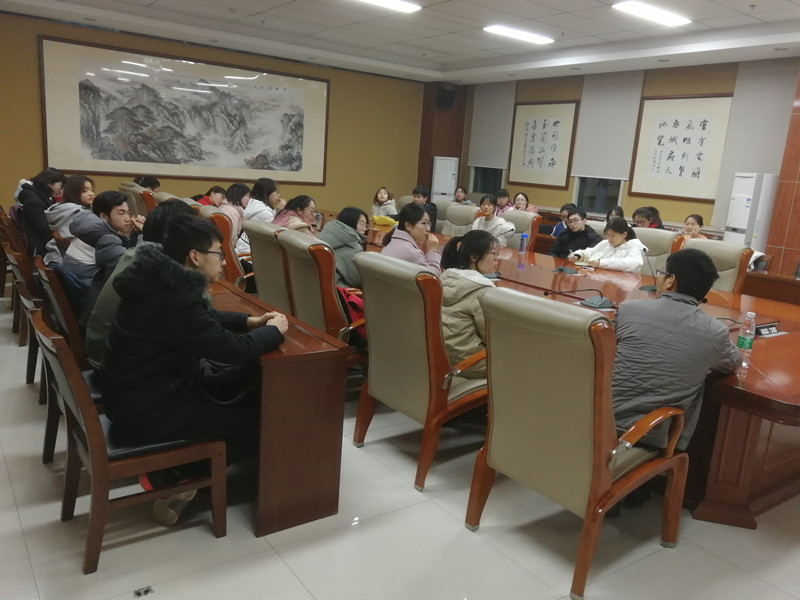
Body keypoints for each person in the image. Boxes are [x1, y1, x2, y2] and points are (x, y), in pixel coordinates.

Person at [100, 216, 288, 524]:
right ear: (195, 256)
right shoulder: (174, 299)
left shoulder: (156, 280)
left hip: (134, 392)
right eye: (219, 253)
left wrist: (247, 321)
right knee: (253, 424)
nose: (224, 262)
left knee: (233, 387)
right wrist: (274, 332)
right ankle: (176, 479)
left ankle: (178, 469)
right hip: (148, 409)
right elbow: (233, 350)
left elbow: (200, 317)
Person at [612, 248, 742, 451]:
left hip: (598, 423)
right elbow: (733, 363)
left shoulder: (629, 310)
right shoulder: (715, 332)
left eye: (661, 273)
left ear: (670, 280)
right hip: (650, 437)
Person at [85, 200, 195, 367]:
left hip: (101, 350)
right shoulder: (159, 269)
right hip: (114, 364)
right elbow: (197, 312)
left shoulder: (134, 254)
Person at [440, 230, 499, 378]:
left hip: (442, 356)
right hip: (469, 364)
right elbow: (492, 338)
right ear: (474, 257)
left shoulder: (444, 278)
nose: (497, 259)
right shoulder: (481, 291)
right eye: (493, 253)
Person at [63, 190, 144, 285]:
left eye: (128, 213)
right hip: (87, 286)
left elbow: (126, 255)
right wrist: (145, 233)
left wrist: (135, 233)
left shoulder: (93, 226)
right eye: (121, 213)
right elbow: (130, 265)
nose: (127, 219)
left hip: (79, 281)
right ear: (103, 216)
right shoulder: (103, 237)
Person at [43, 174, 95, 266]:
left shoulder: (59, 208)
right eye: (85, 191)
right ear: (73, 193)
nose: (91, 194)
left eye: (92, 190)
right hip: (72, 260)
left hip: (56, 255)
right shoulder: (78, 213)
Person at [17, 167, 66, 256]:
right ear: (49, 183)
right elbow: (43, 228)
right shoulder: (33, 201)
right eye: (60, 185)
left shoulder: (39, 197)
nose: (60, 189)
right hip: (40, 247)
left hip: (43, 242)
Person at [568, 217, 647, 273]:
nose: (609, 238)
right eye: (607, 235)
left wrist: (601, 263)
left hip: (623, 283)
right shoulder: (605, 243)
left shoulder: (634, 247)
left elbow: (635, 263)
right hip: (602, 277)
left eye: (613, 235)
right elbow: (591, 252)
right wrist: (578, 255)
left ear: (624, 234)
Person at [381, 202, 441, 274]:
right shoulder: (412, 253)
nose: (428, 229)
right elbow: (433, 277)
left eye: (428, 224)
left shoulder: (390, 242)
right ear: (408, 226)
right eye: (424, 223)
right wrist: (432, 250)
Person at [318, 206, 368, 288]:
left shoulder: (325, 232)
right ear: (351, 222)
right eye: (361, 224)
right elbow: (357, 281)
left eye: (366, 225)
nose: (365, 228)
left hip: (317, 284)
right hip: (337, 290)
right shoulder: (354, 248)